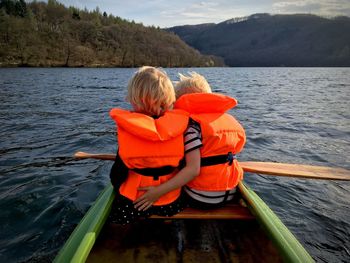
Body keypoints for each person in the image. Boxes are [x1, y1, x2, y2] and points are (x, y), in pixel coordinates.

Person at [134, 72, 246, 210]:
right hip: (231, 192)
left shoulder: (193, 127)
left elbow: (193, 170)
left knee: (173, 186)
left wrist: (157, 192)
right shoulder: (228, 121)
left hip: (202, 197)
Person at [109, 66, 200, 224]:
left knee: (119, 206)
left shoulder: (128, 129)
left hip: (136, 202)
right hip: (169, 202)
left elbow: (117, 176)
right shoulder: (181, 128)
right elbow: (186, 166)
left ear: (134, 99)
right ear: (168, 99)